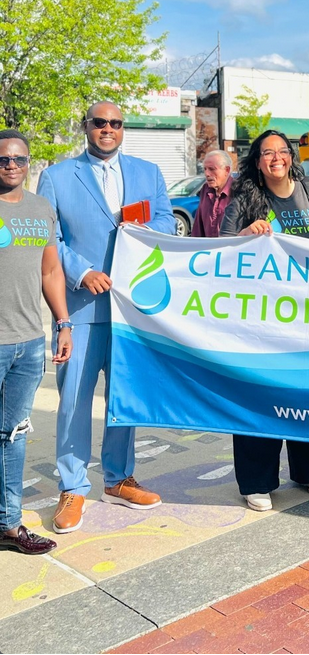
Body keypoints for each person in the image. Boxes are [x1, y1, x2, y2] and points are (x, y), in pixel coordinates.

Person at [37, 101, 176, 534]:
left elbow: (169, 223)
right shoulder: (57, 176)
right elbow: (48, 236)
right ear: (87, 127)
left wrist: (146, 233)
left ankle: (118, 479)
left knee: (124, 397)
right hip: (81, 307)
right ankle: (74, 486)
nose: (108, 129)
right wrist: (81, 271)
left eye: (116, 123)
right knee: (75, 401)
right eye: (100, 123)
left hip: (132, 309)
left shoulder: (148, 173)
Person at [219, 130, 309, 512]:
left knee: (307, 392)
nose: (276, 158)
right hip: (261, 320)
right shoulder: (245, 200)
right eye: (267, 153)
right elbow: (219, 251)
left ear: (291, 156)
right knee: (259, 395)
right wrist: (244, 235)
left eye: (282, 151)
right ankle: (257, 480)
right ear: (257, 161)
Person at [0, 130, 72, 555]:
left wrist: (63, 323)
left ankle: (8, 524)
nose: (10, 166)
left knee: (13, 434)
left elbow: (50, 272)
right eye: (3, 160)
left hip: (28, 343)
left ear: (29, 163)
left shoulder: (41, 208)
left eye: (18, 160)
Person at [190, 150, 234, 238]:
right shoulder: (205, 190)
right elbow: (198, 227)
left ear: (227, 170)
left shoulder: (239, 191)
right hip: (208, 250)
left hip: (231, 249)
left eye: (212, 169)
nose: (207, 174)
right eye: (205, 169)